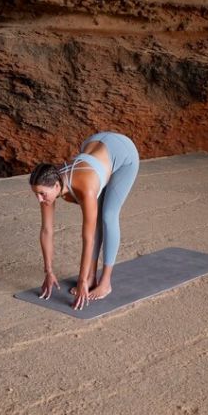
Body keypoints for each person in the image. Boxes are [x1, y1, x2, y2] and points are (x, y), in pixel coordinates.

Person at [29, 131, 140, 311]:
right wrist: (48, 271)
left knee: (107, 215)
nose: (40, 199)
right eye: (36, 194)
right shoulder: (47, 181)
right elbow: (46, 231)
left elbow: (88, 238)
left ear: (57, 186)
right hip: (94, 143)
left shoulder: (85, 188)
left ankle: (105, 282)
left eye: (42, 194)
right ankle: (91, 277)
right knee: (94, 219)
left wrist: (80, 281)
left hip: (123, 153)